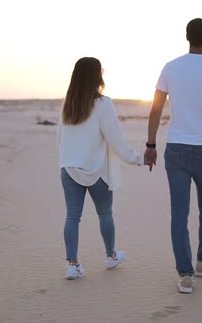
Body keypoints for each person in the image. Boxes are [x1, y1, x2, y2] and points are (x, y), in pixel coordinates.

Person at [144, 18, 202, 293]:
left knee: (178, 214)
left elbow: (156, 109)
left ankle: (185, 275)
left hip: (177, 148)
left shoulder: (171, 67)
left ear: (186, 36)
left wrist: (151, 144)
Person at [57, 57, 144, 280]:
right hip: (96, 169)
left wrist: (67, 160)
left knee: (72, 217)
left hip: (69, 167)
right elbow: (115, 138)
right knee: (105, 213)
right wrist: (137, 159)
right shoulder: (103, 103)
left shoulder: (69, 104)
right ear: (97, 75)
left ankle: (72, 264)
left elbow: (60, 137)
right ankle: (111, 256)